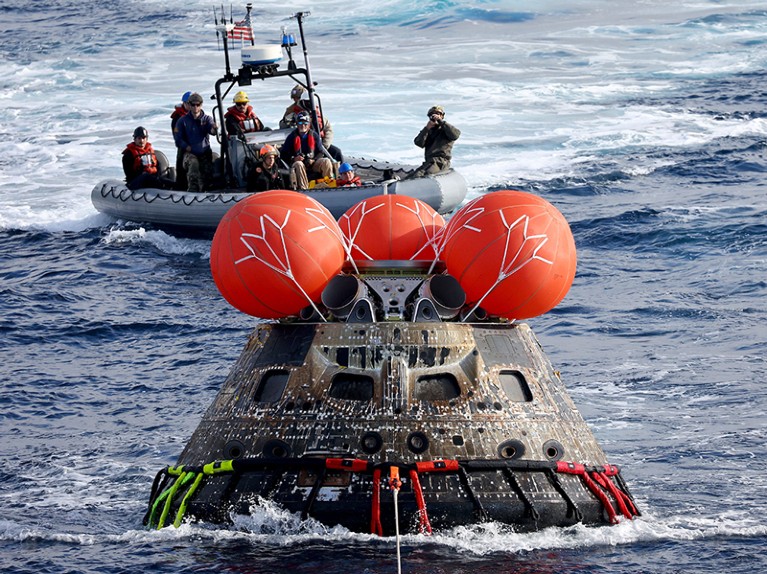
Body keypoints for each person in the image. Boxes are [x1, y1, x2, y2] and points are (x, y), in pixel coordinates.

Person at [174, 92, 218, 192]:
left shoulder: (207, 119)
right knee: (194, 164)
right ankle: (192, 190)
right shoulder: (182, 120)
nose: (195, 107)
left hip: (204, 152)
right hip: (189, 153)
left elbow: (211, 130)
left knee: (207, 175)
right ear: (189, 105)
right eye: (193, 105)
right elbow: (178, 138)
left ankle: (205, 191)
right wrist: (186, 146)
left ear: (201, 105)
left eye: (197, 105)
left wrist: (214, 129)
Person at [279, 111, 334, 190]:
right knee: (298, 164)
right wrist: (294, 158)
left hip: (312, 163)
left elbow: (321, 152)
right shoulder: (291, 137)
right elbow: (283, 155)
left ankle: (329, 185)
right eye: (300, 123)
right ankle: (304, 189)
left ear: (309, 125)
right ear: (297, 124)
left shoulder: (314, 135)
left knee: (326, 161)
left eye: (305, 123)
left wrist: (313, 160)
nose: (303, 125)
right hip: (298, 165)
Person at [408, 105, 461, 178]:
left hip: (440, 162)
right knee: (411, 177)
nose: (435, 117)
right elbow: (418, 143)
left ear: (442, 116)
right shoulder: (428, 131)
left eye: (438, 114)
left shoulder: (446, 130)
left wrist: (441, 122)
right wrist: (426, 128)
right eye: (432, 115)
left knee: (423, 175)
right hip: (429, 162)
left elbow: (455, 135)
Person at [170, 91, 191, 190]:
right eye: (189, 103)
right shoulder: (178, 117)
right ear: (184, 103)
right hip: (184, 148)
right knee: (182, 170)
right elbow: (177, 136)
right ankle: (181, 188)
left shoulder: (198, 115)